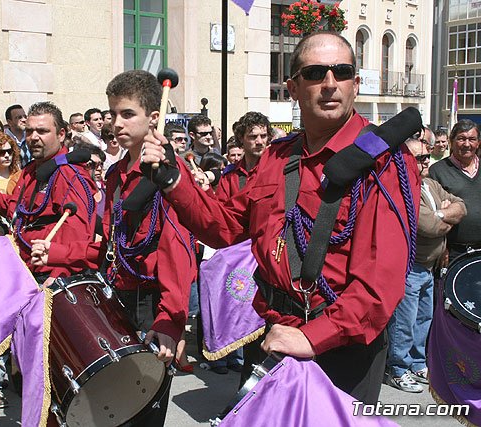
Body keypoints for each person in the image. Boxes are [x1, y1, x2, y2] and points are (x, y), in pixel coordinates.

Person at [140, 31, 420, 404]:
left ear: (355, 84)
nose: (330, 83)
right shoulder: (277, 156)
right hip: (272, 331)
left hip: (340, 347)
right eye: (316, 73)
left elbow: (379, 286)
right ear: (292, 87)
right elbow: (224, 226)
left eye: (342, 71)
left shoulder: (386, 164)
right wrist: (173, 179)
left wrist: (312, 336)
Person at [31, 70, 197, 426]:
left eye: (127, 114)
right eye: (112, 115)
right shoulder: (116, 173)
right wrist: (57, 254)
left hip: (152, 304)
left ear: (154, 117)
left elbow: (178, 251)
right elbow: (109, 246)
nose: (115, 124)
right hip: (117, 298)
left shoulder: (167, 172)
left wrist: (172, 319)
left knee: (142, 416)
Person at [0, 101, 97, 284]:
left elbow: (78, 232)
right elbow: (14, 210)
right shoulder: (30, 171)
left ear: (61, 134)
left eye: (42, 131)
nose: (33, 137)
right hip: (26, 272)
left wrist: (59, 274)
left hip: (51, 278)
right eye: (29, 131)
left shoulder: (68, 174)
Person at [385, 138, 466, 393]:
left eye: (426, 156)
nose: (426, 162)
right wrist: (445, 216)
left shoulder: (430, 183)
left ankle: (417, 362)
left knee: (423, 319)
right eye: (420, 158)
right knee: (404, 323)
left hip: (430, 268)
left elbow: (461, 206)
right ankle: (397, 369)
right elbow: (427, 227)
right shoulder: (403, 187)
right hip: (410, 268)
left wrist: (442, 214)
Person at [429, 119, 481, 262]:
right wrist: (441, 246)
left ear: (478, 143)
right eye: (461, 139)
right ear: (451, 142)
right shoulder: (437, 171)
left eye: (472, 139)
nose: (466, 144)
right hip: (453, 252)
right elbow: (432, 213)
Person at [216, 112, 272, 202]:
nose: (259, 142)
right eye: (253, 137)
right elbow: (220, 208)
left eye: (263, 136)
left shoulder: (275, 170)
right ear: (241, 138)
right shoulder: (230, 175)